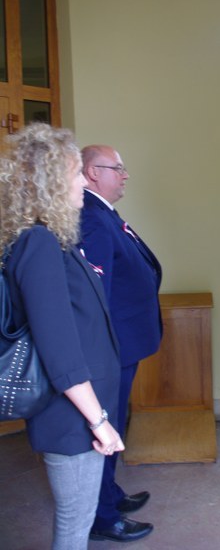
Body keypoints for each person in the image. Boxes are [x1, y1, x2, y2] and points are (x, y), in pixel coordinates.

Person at [0, 123, 127, 550]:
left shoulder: (51, 239)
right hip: (71, 416)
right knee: (75, 523)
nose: (83, 183)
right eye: (75, 174)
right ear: (51, 182)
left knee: (80, 516)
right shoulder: (37, 243)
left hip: (81, 409)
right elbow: (59, 349)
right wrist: (99, 422)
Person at [80, 144, 162, 543]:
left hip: (124, 345)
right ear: (94, 172)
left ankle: (109, 494)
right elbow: (96, 296)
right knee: (105, 426)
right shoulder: (90, 218)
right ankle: (102, 516)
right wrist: (103, 353)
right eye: (118, 167)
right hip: (112, 349)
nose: (125, 174)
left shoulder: (103, 213)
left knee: (114, 419)